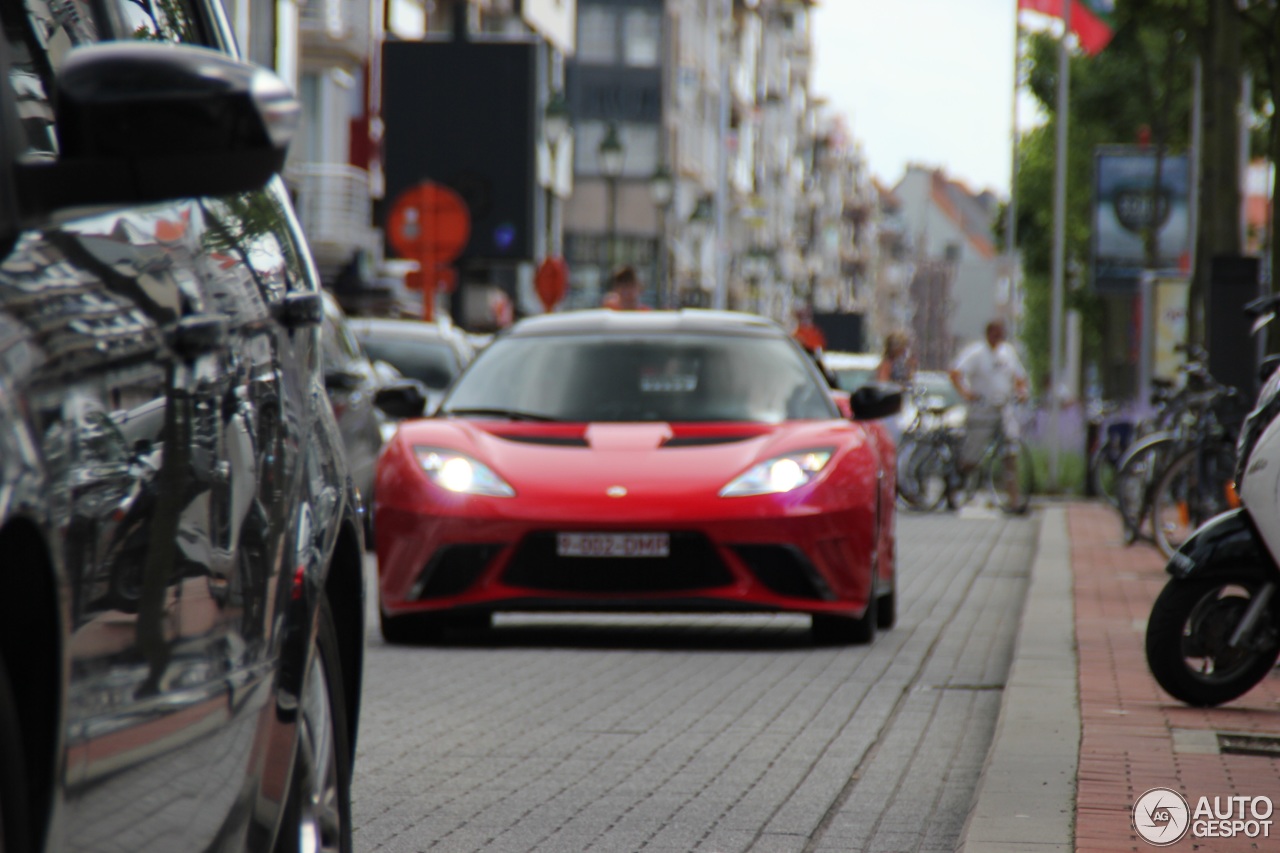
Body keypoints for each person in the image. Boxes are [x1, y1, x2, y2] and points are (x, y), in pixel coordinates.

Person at [949, 319, 1030, 512]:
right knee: (972, 456)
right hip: (982, 410)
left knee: (1011, 451)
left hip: (1003, 408)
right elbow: (955, 372)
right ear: (988, 334)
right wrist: (966, 393)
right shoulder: (976, 353)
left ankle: (1014, 498)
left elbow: (1019, 377)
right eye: (996, 333)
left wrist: (1022, 391)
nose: (999, 337)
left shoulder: (1007, 353)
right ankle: (955, 487)